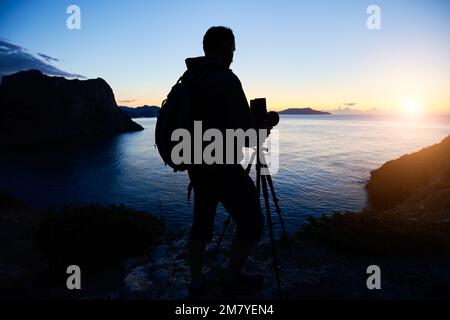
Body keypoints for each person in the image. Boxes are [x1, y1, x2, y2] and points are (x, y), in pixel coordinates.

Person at [183, 26, 265, 298]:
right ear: (220, 48)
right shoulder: (227, 80)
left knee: (201, 226)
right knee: (252, 222)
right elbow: (246, 134)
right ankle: (231, 277)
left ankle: (195, 283)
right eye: (231, 48)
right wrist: (264, 124)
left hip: (198, 166)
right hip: (224, 169)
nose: (234, 55)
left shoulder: (191, 77)